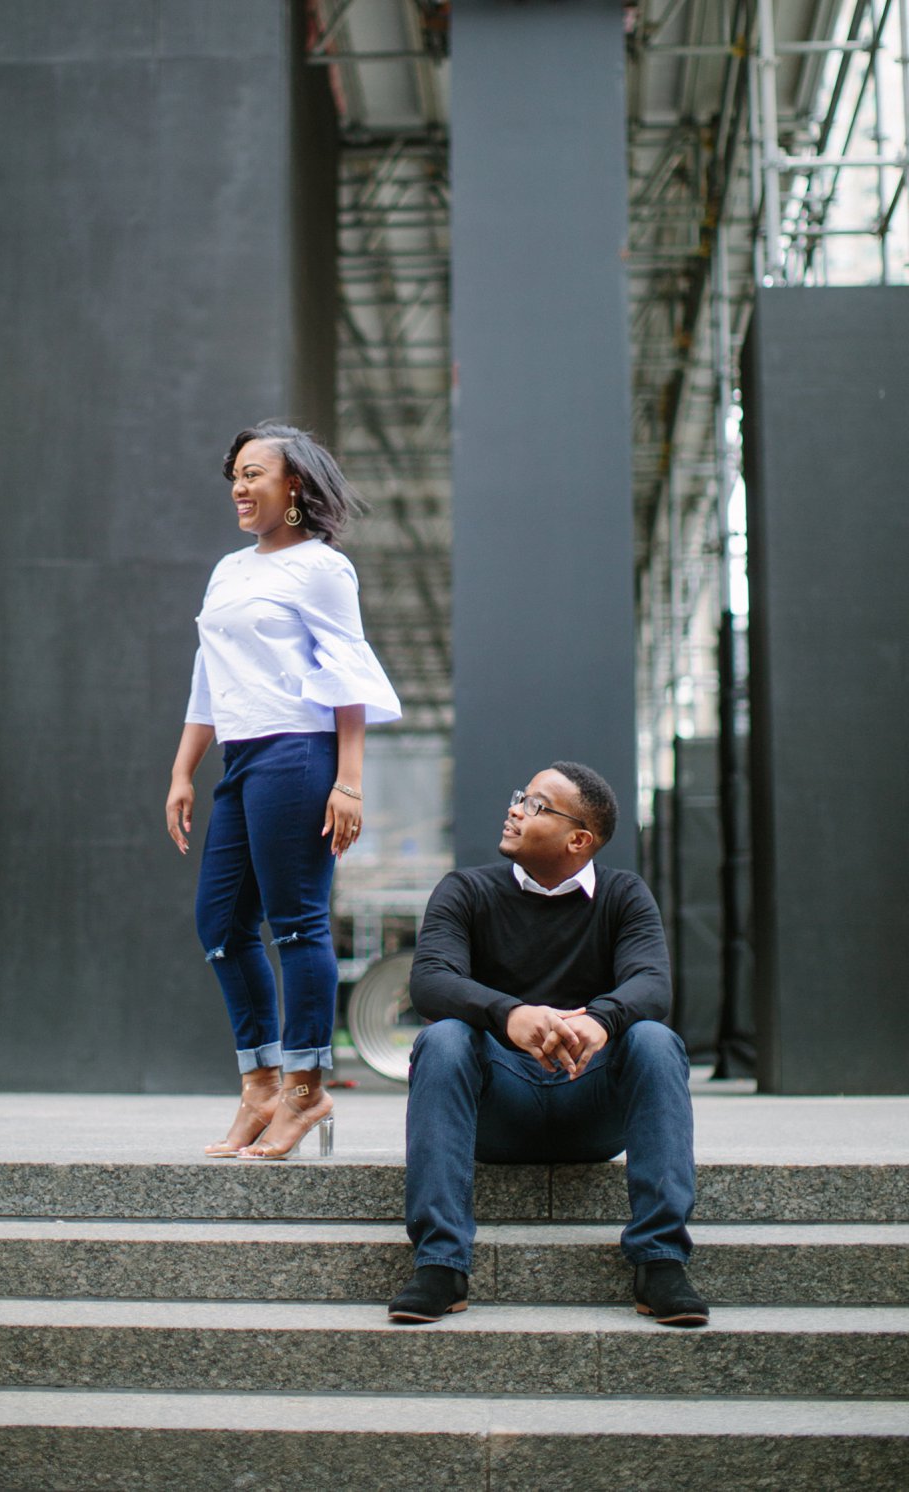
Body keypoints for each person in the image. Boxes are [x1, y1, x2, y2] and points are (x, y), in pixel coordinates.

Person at [387, 762, 708, 1327]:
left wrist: (602, 1020)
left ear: (578, 839)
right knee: (443, 1038)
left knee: (655, 1040)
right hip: (496, 1110)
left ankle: (660, 1262)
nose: (513, 809)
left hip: (591, 1108)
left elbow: (652, 986)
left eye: (535, 804)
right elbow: (430, 980)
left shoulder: (624, 896)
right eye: (519, 797)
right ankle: (440, 1264)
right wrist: (509, 1014)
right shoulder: (466, 890)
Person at [165, 422, 401, 1160]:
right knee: (220, 928)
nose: (239, 485)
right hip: (239, 759)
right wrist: (182, 770)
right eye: (234, 473)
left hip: (298, 754)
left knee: (297, 925)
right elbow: (209, 675)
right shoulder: (229, 570)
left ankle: (307, 1088)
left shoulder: (321, 568)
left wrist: (350, 782)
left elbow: (349, 673)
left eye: (255, 472)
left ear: (294, 484)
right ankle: (261, 1086)